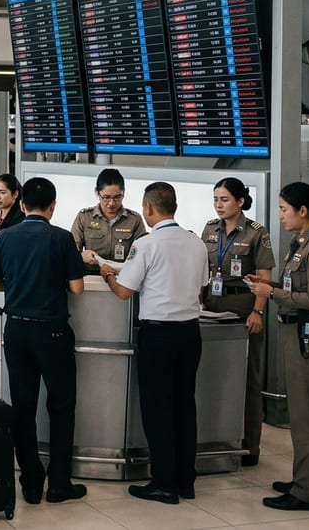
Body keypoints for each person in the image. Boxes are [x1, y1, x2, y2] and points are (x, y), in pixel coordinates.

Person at [99, 182, 210, 505]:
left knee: (158, 409)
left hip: (158, 335)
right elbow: (201, 288)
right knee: (184, 406)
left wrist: (107, 273)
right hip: (190, 333)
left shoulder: (146, 244)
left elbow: (124, 291)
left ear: (148, 208)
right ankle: (185, 480)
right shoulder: (196, 242)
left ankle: (163, 482)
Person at [0, 177, 87, 505]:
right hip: (52, 332)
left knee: (23, 407)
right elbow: (77, 289)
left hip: (16, 330)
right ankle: (59, 482)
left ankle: (30, 481)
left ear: (22, 204)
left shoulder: (5, 237)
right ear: (52, 206)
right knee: (61, 406)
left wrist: (17, 287)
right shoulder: (61, 238)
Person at [248, 182, 309, 512]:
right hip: (295, 332)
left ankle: (307, 491)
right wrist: (266, 284)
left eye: (284, 209)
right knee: (302, 414)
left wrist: (270, 294)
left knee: (305, 416)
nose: (280, 216)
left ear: (303, 211)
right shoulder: (298, 244)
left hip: (308, 334)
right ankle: (307, 480)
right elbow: (292, 286)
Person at [201, 177, 274, 468]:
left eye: (225, 200)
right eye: (216, 199)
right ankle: (213, 437)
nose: (219, 205)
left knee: (248, 379)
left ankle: (249, 446)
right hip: (212, 305)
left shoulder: (257, 233)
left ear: (240, 201)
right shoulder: (209, 229)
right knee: (212, 375)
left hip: (243, 308)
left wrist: (258, 311)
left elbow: (265, 278)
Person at [71, 168, 147, 269]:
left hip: (122, 278)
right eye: (106, 197)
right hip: (91, 276)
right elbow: (71, 252)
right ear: (97, 193)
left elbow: (142, 254)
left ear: (123, 193)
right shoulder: (84, 217)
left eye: (117, 197)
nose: (111, 203)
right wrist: (81, 256)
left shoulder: (134, 220)